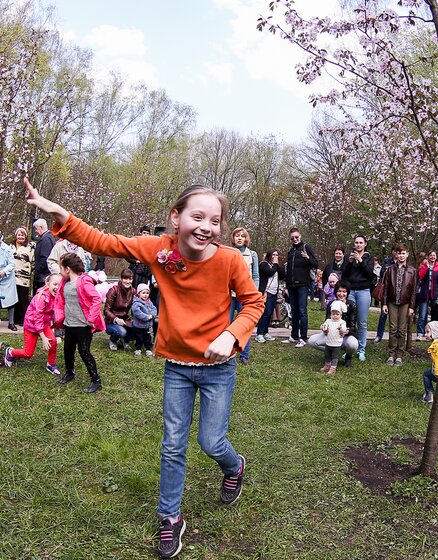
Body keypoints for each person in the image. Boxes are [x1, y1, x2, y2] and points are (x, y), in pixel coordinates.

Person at [24, 178, 262, 559]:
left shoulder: (230, 260)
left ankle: (234, 467)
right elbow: (104, 242)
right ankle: (170, 518)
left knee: (211, 442)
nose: (206, 226)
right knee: (172, 446)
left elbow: (253, 303)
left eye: (214, 221)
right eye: (197, 216)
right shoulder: (158, 249)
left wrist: (232, 336)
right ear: (175, 217)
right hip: (178, 367)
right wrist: (60, 214)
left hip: (219, 369)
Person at [53, 252, 104, 393]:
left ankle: (96, 380)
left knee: (84, 352)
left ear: (68, 269)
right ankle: (70, 373)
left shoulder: (83, 281)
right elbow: (60, 301)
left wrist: (91, 319)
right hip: (69, 324)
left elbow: (96, 299)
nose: (60, 271)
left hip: (83, 326)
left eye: (61, 268)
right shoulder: (65, 282)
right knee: (68, 350)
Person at [4, 273, 62, 376]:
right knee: (28, 353)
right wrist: (43, 337)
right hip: (32, 326)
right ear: (48, 284)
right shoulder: (42, 298)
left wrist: (52, 329)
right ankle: (11, 352)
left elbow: (52, 314)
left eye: (60, 285)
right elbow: (37, 318)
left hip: (44, 325)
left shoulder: (57, 296)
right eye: (55, 284)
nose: (57, 287)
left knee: (52, 342)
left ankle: (51, 364)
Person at [380, 243, 416, 366]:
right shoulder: (390, 269)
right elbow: (385, 288)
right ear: (396, 254)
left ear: (407, 254)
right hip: (392, 302)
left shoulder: (412, 271)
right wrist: (384, 304)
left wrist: (412, 306)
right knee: (393, 328)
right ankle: (391, 354)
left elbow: (413, 290)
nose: (401, 255)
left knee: (402, 329)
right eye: (399, 253)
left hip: (405, 303)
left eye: (403, 253)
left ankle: (399, 355)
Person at [307, 281, 358, 365]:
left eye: (344, 291)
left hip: (345, 336)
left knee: (353, 344)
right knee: (312, 341)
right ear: (335, 292)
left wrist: (347, 331)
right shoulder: (331, 304)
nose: (341, 294)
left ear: (347, 293)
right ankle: (332, 352)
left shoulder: (352, 305)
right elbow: (327, 320)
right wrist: (325, 329)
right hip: (331, 335)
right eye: (339, 291)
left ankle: (348, 357)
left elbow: (352, 326)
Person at [340, 234, 374, 361]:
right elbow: (344, 274)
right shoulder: (349, 257)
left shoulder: (369, 258)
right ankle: (350, 349)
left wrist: (360, 261)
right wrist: (349, 263)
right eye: (356, 242)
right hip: (351, 291)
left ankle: (361, 349)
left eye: (361, 242)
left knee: (362, 322)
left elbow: (370, 274)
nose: (358, 245)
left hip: (364, 291)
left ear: (365, 244)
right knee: (350, 320)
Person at [283, 227, 319, 347]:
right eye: (292, 238)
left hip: (303, 285)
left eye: (296, 237)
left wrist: (308, 258)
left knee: (302, 311)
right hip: (291, 285)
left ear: (300, 236)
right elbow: (288, 270)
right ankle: (294, 336)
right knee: (293, 311)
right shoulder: (291, 251)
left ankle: (303, 337)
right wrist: (287, 286)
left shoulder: (306, 248)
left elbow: (315, 263)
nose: (295, 239)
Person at [230, 228, 259, 365]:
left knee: (245, 326)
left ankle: (244, 355)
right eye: (237, 236)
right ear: (233, 238)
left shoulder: (252, 254)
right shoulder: (228, 252)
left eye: (242, 236)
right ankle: (227, 353)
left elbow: (255, 276)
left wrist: (255, 294)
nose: (240, 238)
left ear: (246, 239)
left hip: (245, 296)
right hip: (229, 295)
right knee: (227, 324)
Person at [104, 269, 136, 351]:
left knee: (138, 327)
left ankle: (124, 340)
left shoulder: (133, 291)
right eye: (125, 278)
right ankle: (112, 341)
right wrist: (116, 319)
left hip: (125, 319)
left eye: (130, 279)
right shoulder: (114, 290)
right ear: (121, 279)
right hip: (111, 321)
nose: (128, 281)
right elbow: (106, 310)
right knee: (121, 332)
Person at [416, 250, 438, 339]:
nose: (432, 257)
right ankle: (420, 333)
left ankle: (434, 333)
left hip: (435, 293)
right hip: (424, 293)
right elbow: (420, 276)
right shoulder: (424, 266)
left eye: (434, 255)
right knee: (422, 314)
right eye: (431, 255)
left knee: (435, 314)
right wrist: (426, 268)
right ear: (428, 257)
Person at [12, 227, 35, 328]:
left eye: (22, 235)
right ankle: (15, 318)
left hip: (24, 277)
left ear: (25, 237)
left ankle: (23, 319)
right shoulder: (10, 246)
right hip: (12, 276)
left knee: (23, 298)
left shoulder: (29, 247)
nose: (20, 237)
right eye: (19, 235)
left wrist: (29, 270)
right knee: (14, 298)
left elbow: (33, 261)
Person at [256, 249, 280, 343]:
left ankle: (266, 332)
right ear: (269, 255)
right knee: (265, 313)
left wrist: (277, 265)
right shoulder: (263, 264)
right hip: (266, 292)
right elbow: (270, 272)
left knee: (269, 313)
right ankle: (260, 334)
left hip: (274, 292)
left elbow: (282, 274)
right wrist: (275, 265)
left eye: (277, 255)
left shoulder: (275, 265)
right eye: (273, 254)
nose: (275, 256)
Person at [319, 300, 347, 374]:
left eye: (337, 314)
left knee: (335, 356)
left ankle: (333, 368)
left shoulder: (342, 322)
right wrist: (323, 327)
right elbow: (322, 326)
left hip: (337, 343)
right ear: (331, 314)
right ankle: (327, 365)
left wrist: (341, 328)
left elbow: (344, 330)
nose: (335, 316)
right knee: (327, 354)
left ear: (340, 315)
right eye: (333, 314)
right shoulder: (328, 321)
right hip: (328, 342)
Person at [132, 283, 158, 357]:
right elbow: (137, 313)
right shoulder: (136, 303)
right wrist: (146, 317)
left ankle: (148, 349)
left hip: (148, 325)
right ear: (139, 293)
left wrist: (152, 315)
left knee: (148, 338)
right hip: (139, 325)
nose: (145, 295)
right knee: (139, 338)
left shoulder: (149, 302)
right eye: (143, 293)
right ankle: (138, 349)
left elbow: (154, 309)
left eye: (147, 293)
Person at [32, 218, 56, 294]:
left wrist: (37, 272)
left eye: (36, 229)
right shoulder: (48, 238)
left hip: (42, 277)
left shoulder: (46, 240)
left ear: (40, 228)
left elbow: (45, 258)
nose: (35, 231)